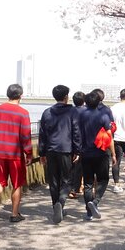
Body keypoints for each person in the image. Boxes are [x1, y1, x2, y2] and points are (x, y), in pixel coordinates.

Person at [0, 83, 32, 224]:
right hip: (15, 154)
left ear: (8, 94)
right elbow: (25, 136)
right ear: (20, 96)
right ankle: (14, 214)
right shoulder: (23, 113)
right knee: (17, 184)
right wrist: (28, 154)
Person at [38, 85, 81, 224]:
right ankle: (61, 203)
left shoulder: (47, 112)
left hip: (50, 150)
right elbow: (76, 132)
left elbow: (42, 135)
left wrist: (41, 152)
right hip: (66, 149)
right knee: (67, 180)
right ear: (66, 97)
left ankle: (55, 206)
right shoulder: (73, 112)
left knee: (54, 181)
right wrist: (77, 150)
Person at [77, 90, 117, 220]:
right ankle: (95, 202)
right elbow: (110, 136)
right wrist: (113, 154)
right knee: (103, 180)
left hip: (85, 153)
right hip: (101, 153)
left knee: (88, 183)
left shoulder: (81, 115)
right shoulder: (103, 116)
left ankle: (89, 213)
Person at [69, 91, 86, 199]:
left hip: (69, 142)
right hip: (83, 143)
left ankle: (71, 189)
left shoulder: (69, 111)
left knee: (70, 167)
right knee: (80, 167)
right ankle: (77, 188)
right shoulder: (87, 111)